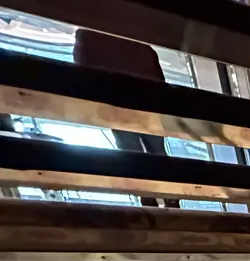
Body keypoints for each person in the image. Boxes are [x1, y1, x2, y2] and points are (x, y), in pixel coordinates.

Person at [72, 29, 180, 208]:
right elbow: (152, 60)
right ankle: (170, 196)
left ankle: (148, 198)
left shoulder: (88, 35)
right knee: (157, 150)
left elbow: (81, 68)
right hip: (146, 100)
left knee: (131, 152)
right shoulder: (127, 30)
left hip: (116, 104)